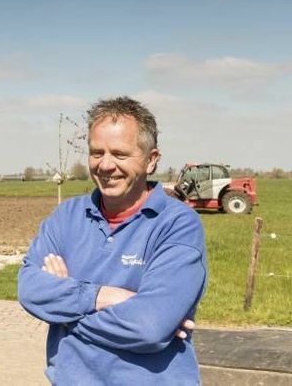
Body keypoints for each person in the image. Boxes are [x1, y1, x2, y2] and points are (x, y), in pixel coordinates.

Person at [18, 96, 207, 384]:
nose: (105, 165)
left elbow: (149, 327)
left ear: (151, 160)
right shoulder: (67, 216)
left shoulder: (177, 224)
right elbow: (30, 288)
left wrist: (64, 312)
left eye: (119, 154)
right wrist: (99, 296)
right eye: (97, 152)